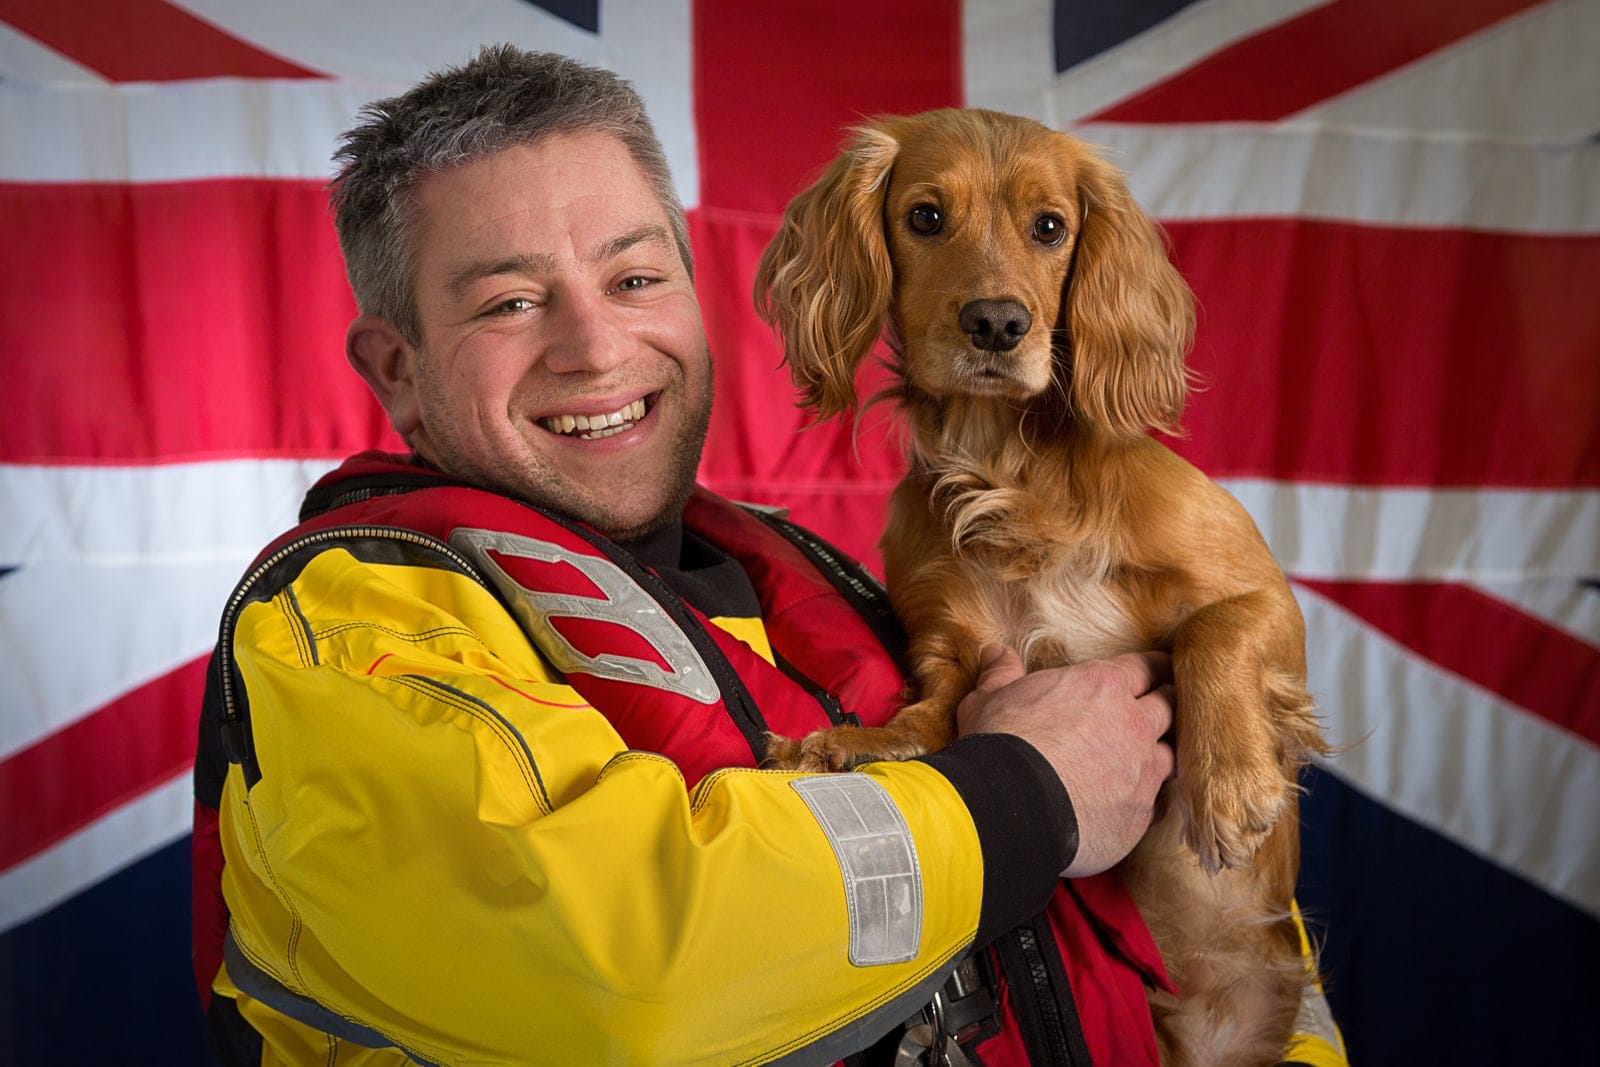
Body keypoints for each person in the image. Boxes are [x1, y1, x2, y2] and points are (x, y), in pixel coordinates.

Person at [189, 44, 1278, 1066]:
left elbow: (1218, 930)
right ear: (398, 370)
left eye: (633, 279)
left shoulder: (812, 581)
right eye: (512, 302)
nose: (596, 347)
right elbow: (620, 980)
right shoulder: (339, 627)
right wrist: (1027, 791)